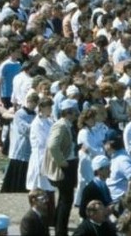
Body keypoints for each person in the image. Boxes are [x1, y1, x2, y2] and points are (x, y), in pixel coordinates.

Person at [43, 97, 79, 236]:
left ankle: (59, 228)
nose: (76, 115)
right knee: (66, 200)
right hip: (66, 165)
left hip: (70, 163)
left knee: (64, 199)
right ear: (68, 112)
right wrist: (61, 162)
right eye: (74, 112)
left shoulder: (67, 125)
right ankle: (61, 231)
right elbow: (53, 145)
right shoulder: (61, 125)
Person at [1, 91, 37, 193]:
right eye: (32, 102)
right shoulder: (19, 114)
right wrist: (35, 127)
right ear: (28, 102)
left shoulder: (35, 114)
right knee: (17, 168)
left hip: (29, 146)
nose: (34, 105)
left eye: (36, 103)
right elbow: (24, 129)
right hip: (20, 145)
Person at [79, 155, 113, 219]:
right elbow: (82, 212)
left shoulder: (104, 186)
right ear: (99, 171)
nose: (110, 171)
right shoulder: (89, 189)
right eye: (107, 168)